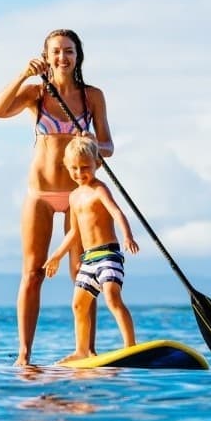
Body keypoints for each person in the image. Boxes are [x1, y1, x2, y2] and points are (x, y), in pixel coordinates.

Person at [0, 29, 114, 366]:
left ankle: (85, 351)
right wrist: (22, 75)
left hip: (80, 196)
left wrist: (92, 144)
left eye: (69, 51)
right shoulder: (37, 93)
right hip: (41, 194)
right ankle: (24, 355)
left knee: (83, 272)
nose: (63, 57)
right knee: (32, 272)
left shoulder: (93, 97)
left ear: (78, 56)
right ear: (46, 56)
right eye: (56, 51)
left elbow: (109, 147)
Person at [43, 137, 139, 361]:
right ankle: (82, 350)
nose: (79, 172)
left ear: (98, 164)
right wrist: (56, 256)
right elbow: (74, 233)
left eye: (85, 167)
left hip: (108, 254)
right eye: (74, 168)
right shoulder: (74, 196)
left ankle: (130, 346)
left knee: (112, 297)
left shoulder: (99, 190)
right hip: (88, 260)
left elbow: (117, 212)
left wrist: (127, 235)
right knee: (78, 304)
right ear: (67, 167)